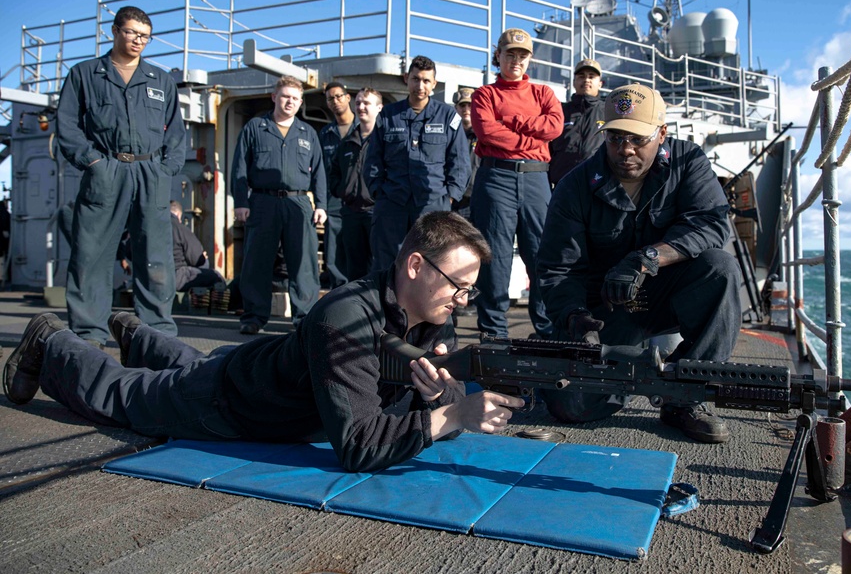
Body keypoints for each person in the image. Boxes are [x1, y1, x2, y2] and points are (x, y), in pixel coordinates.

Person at [3, 212, 523, 473]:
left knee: (186, 366)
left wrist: (442, 399)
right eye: (458, 285)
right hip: (233, 402)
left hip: (265, 375)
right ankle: (51, 343)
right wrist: (453, 415)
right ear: (415, 265)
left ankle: (137, 333)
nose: (463, 299)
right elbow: (359, 446)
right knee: (123, 397)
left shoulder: (434, 315)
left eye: (469, 289)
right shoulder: (344, 314)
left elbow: (449, 402)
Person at [536, 83, 742, 444]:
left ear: (661, 134)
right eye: (615, 138)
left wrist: (647, 258)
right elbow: (559, 269)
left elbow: (712, 223)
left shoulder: (687, 161)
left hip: (667, 293)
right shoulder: (574, 187)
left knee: (720, 269)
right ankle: (628, 375)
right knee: (572, 406)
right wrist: (575, 319)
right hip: (608, 310)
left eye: (637, 139)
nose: (625, 150)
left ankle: (686, 396)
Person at [55, 5, 186, 345]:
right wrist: (93, 163)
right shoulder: (85, 74)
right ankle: (88, 334)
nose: (137, 40)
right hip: (106, 170)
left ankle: (157, 335)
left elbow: (176, 132)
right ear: (114, 31)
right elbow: (67, 123)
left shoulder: (161, 79)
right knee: (91, 253)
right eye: (131, 32)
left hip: (150, 172)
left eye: (144, 36)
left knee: (155, 256)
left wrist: (165, 169)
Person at [470, 28, 563, 338]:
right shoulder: (484, 95)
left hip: (537, 179)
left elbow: (554, 127)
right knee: (494, 259)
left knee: (541, 256)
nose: (516, 60)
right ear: (498, 56)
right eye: (510, 54)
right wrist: (529, 136)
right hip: (496, 178)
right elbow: (488, 133)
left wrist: (510, 120)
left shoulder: (544, 93)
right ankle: (494, 333)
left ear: (530, 60)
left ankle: (547, 331)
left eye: (522, 55)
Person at [231, 76, 327, 334]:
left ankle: (303, 318)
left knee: (303, 263)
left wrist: (321, 205)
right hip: (262, 201)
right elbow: (239, 167)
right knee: (256, 262)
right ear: (274, 97)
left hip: (298, 202)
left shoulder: (308, 133)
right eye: (286, 96)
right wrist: (240, 202)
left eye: (296, 98)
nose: (290, 102)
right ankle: (253, 317)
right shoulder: (255, 128)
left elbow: (319, 172)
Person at [365, 56, 470, 272]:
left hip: (432, 206)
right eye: (415, 79)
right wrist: (378, 191)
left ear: (433, 83)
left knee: (433, 265)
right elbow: (373, 159)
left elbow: (459, 161)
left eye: (425, 81)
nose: (420, 86)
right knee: (388, 266)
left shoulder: (447, 116)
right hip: (392, 204)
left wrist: (449, 197)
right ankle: (389, 306)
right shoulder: (388, 115)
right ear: (406, 79)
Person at [329, 88, 381, 281]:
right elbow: (333, 172)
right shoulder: (347, 143)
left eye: (366, 103)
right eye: (358, 103)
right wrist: (342, 190)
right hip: (351, 212)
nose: (361, 107)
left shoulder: (384, 141)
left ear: (379, 108)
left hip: (377, 213)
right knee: (354, 270)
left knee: (379, 267)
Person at [319, 81, 354, 290]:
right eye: (330, 98)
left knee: (359, 250)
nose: (335, 101)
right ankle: (339, 293)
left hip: (360, 200)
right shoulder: (326, 133)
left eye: (339, 96)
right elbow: (322, 170)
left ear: (348, 97)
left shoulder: (365, 127)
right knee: (333, 253)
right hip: (334, 201)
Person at [549, 58, 605, 186]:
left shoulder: (608, 112)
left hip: (597, 184)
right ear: (574, 82)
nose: (586, 80)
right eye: (581, 76)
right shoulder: (560, 111)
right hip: (563, 184)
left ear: (600, 83)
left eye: (592, 76)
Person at [169, 201, 224, 292]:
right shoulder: (180, 228)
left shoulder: (149, 227)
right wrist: (202, 257)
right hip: (175, 277)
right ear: (178, 215)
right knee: (216, 277)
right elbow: (197, 260)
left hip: (149, 276)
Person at [450, 87, 480, 219]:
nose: (466, 109)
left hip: (476, 198)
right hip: (453, 199)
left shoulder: (483, 135)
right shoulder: (449, 134)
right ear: (456, 108)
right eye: (462, 105)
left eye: (470, 105)